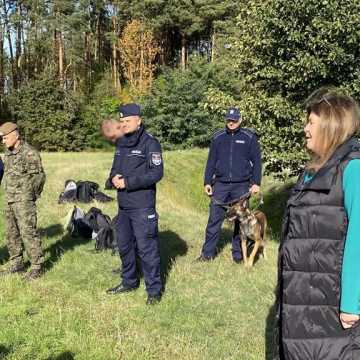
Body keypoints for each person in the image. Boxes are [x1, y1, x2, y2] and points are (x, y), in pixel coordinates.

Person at [275, 88, 360, 360]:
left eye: (311, 122)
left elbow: (358, 238)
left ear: (331, 125)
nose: (305, 129)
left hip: (332, 306)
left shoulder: (353, 169)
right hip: (305, 300)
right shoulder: (313, 171)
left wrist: (351, 303)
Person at [106, 103, 164, 305]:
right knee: (124, 246)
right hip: (123, 207)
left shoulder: (150, 144)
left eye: (128, 121)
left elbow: (156, 173)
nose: (124, 124)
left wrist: (128, 182)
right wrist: (113, 178)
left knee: (147, 249)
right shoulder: (121, 142)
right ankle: (129, 282)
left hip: (142, 206)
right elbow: (115, 167)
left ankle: (154, 291)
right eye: (121, 121)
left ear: (139, 120)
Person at [197, 107, 262, 262]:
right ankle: (207, 255)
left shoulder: (249, 137)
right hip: (221, 185)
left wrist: (256, 183)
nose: (231, 122)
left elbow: (257, 162)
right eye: (229, 120)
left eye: (234, 120)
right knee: (214, 219)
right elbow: (211, 161)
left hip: (241, 186)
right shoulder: (218, 137)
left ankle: (239, 255)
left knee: (240, 223)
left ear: (240, 120)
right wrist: (207, 181)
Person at [0, 122, 46, 280]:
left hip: (24, 201)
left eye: (5, 137)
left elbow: (39, 177)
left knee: (28, 232)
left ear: (16, 135)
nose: (3, 141)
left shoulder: (29, 153)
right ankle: (17, 263)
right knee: (11, 233)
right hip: (9, 199)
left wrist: (29, 196)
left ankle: (36, 266)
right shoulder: (8, 153)